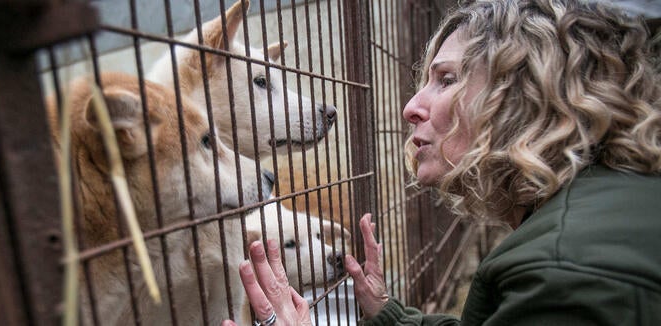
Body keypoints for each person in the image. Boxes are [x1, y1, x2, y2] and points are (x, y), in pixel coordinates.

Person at [223, 0, 661, 325]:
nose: (411, 105)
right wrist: (386, 313)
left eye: (446, 79)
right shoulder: (594, 212)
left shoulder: (563, 271)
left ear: (522, 96)